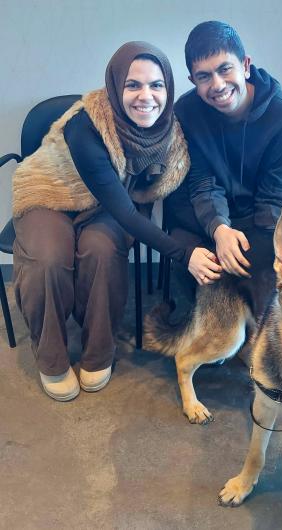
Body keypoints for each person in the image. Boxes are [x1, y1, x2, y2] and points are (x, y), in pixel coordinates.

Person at [12, 41, 221, 402]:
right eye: (133, 85)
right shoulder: (87, 124)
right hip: (51, 194)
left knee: (101, 250)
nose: (146, 96)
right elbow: (125, 211)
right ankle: (52, 359)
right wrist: (184, 254)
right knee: (47, 257)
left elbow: (183, 188)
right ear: (114, 86)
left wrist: (218, 229)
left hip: (107, 205)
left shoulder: (171, 131)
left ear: (168, 89)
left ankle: (98, 352)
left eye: (156, 85)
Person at [165, 21, 282, 325]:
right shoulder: (186, 112)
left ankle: (254, 338)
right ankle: (196, 331)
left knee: (274, 268)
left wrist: (254, 250)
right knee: (197, 263)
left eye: (225, 69)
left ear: (245, 65)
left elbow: (274, 197)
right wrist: (219, 230)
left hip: (255, 216)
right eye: (204, 76)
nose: (216, 85)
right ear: (192, 79)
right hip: (199, 215)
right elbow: (202, 182)